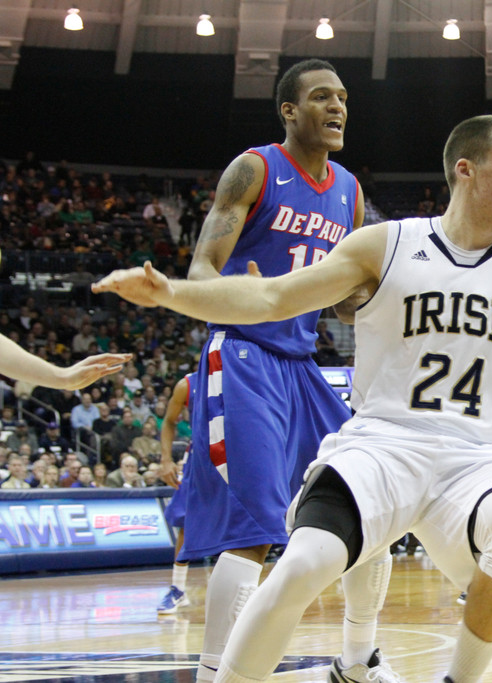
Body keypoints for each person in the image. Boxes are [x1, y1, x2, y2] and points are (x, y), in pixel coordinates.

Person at [94, 113, 492, 683]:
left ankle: (458, 679)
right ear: (465, 169)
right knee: (304, 560)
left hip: (480, 457)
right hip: (383, 445)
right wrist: (172, 293)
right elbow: (270, 298)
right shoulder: (387, 243)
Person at [154, 59, 398, 683]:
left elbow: (342, 296)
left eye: (343, 97)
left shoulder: (349, 189)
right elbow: (202, 269)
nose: (338, 107)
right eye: (321, 97)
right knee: (257, 527)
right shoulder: (255, 167)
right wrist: (245, 288)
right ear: (289, 111)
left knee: (364, 504)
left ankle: (356, 661)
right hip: (241, 353)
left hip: (301, 362)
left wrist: (390, 299)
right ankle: (215, 673)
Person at [156, 373, 194, 615]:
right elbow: (169, 421)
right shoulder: (188, 384)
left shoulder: (246, 376)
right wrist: (167, 459)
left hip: (240, 455)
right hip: (201, 456)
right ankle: (178, 588)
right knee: (187, 522)